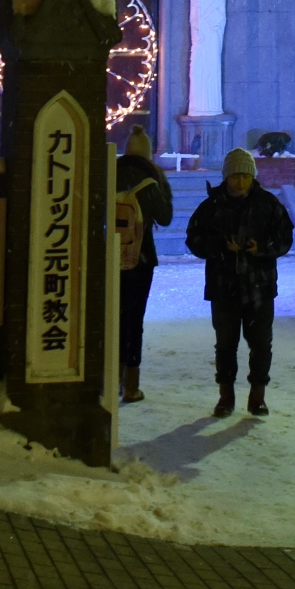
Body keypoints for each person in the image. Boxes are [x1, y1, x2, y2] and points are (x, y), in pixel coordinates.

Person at [185, 146, 294, 417]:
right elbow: (194, 239)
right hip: (224, 287)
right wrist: (221, 248)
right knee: (225, 344)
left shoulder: (268, 204)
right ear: (226, 176)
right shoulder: (211, 207)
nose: (241, 182)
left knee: (260, 344)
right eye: (235, 176)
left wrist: (263, 248)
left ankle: (258, 396)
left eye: (245, 176)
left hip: (260, 286)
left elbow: (285, 237)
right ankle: (226, 396)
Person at [116, 126, 173, 403]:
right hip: (140, 257)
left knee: (112, 317)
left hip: (110, 256)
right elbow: (165, 218)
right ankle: (131, 384)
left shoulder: (109, 173)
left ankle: (110, 377)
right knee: (133, 319)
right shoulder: (151, 181)